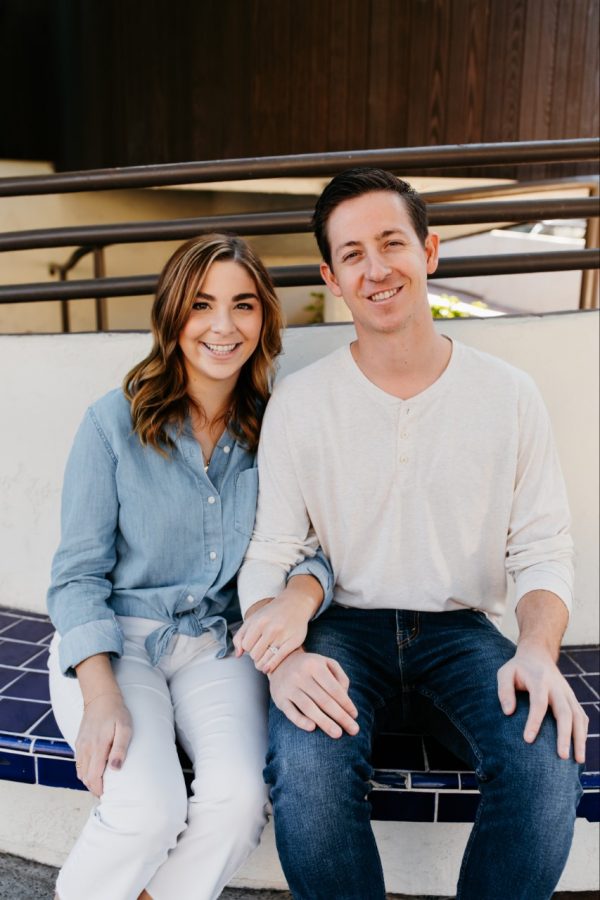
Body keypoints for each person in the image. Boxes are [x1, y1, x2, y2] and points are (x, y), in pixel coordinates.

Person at [233, 169, 588, 900]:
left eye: (392, 242)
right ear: (333, 277)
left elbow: (543, 548)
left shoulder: (507, 395)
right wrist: (284, 660)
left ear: (429, 250)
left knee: (549, 755)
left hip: (463, 633)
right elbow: (273, 550)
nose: (377, 267)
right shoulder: (301, 403)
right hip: (339, 632)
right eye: (353, 253)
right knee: (305, 766)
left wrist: (536, 651)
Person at [47, 233, 331, 900]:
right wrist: (99, 691)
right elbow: (77, 575)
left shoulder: (281, 425)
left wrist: (299, 593)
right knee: (147, 811)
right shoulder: (110, 423)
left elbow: (316, 545)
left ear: (265, 317)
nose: (223, 326)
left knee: (238, 804)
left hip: (220, 644)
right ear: (172, 313)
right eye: (201, 305)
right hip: (120, 639)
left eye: (243, 305)